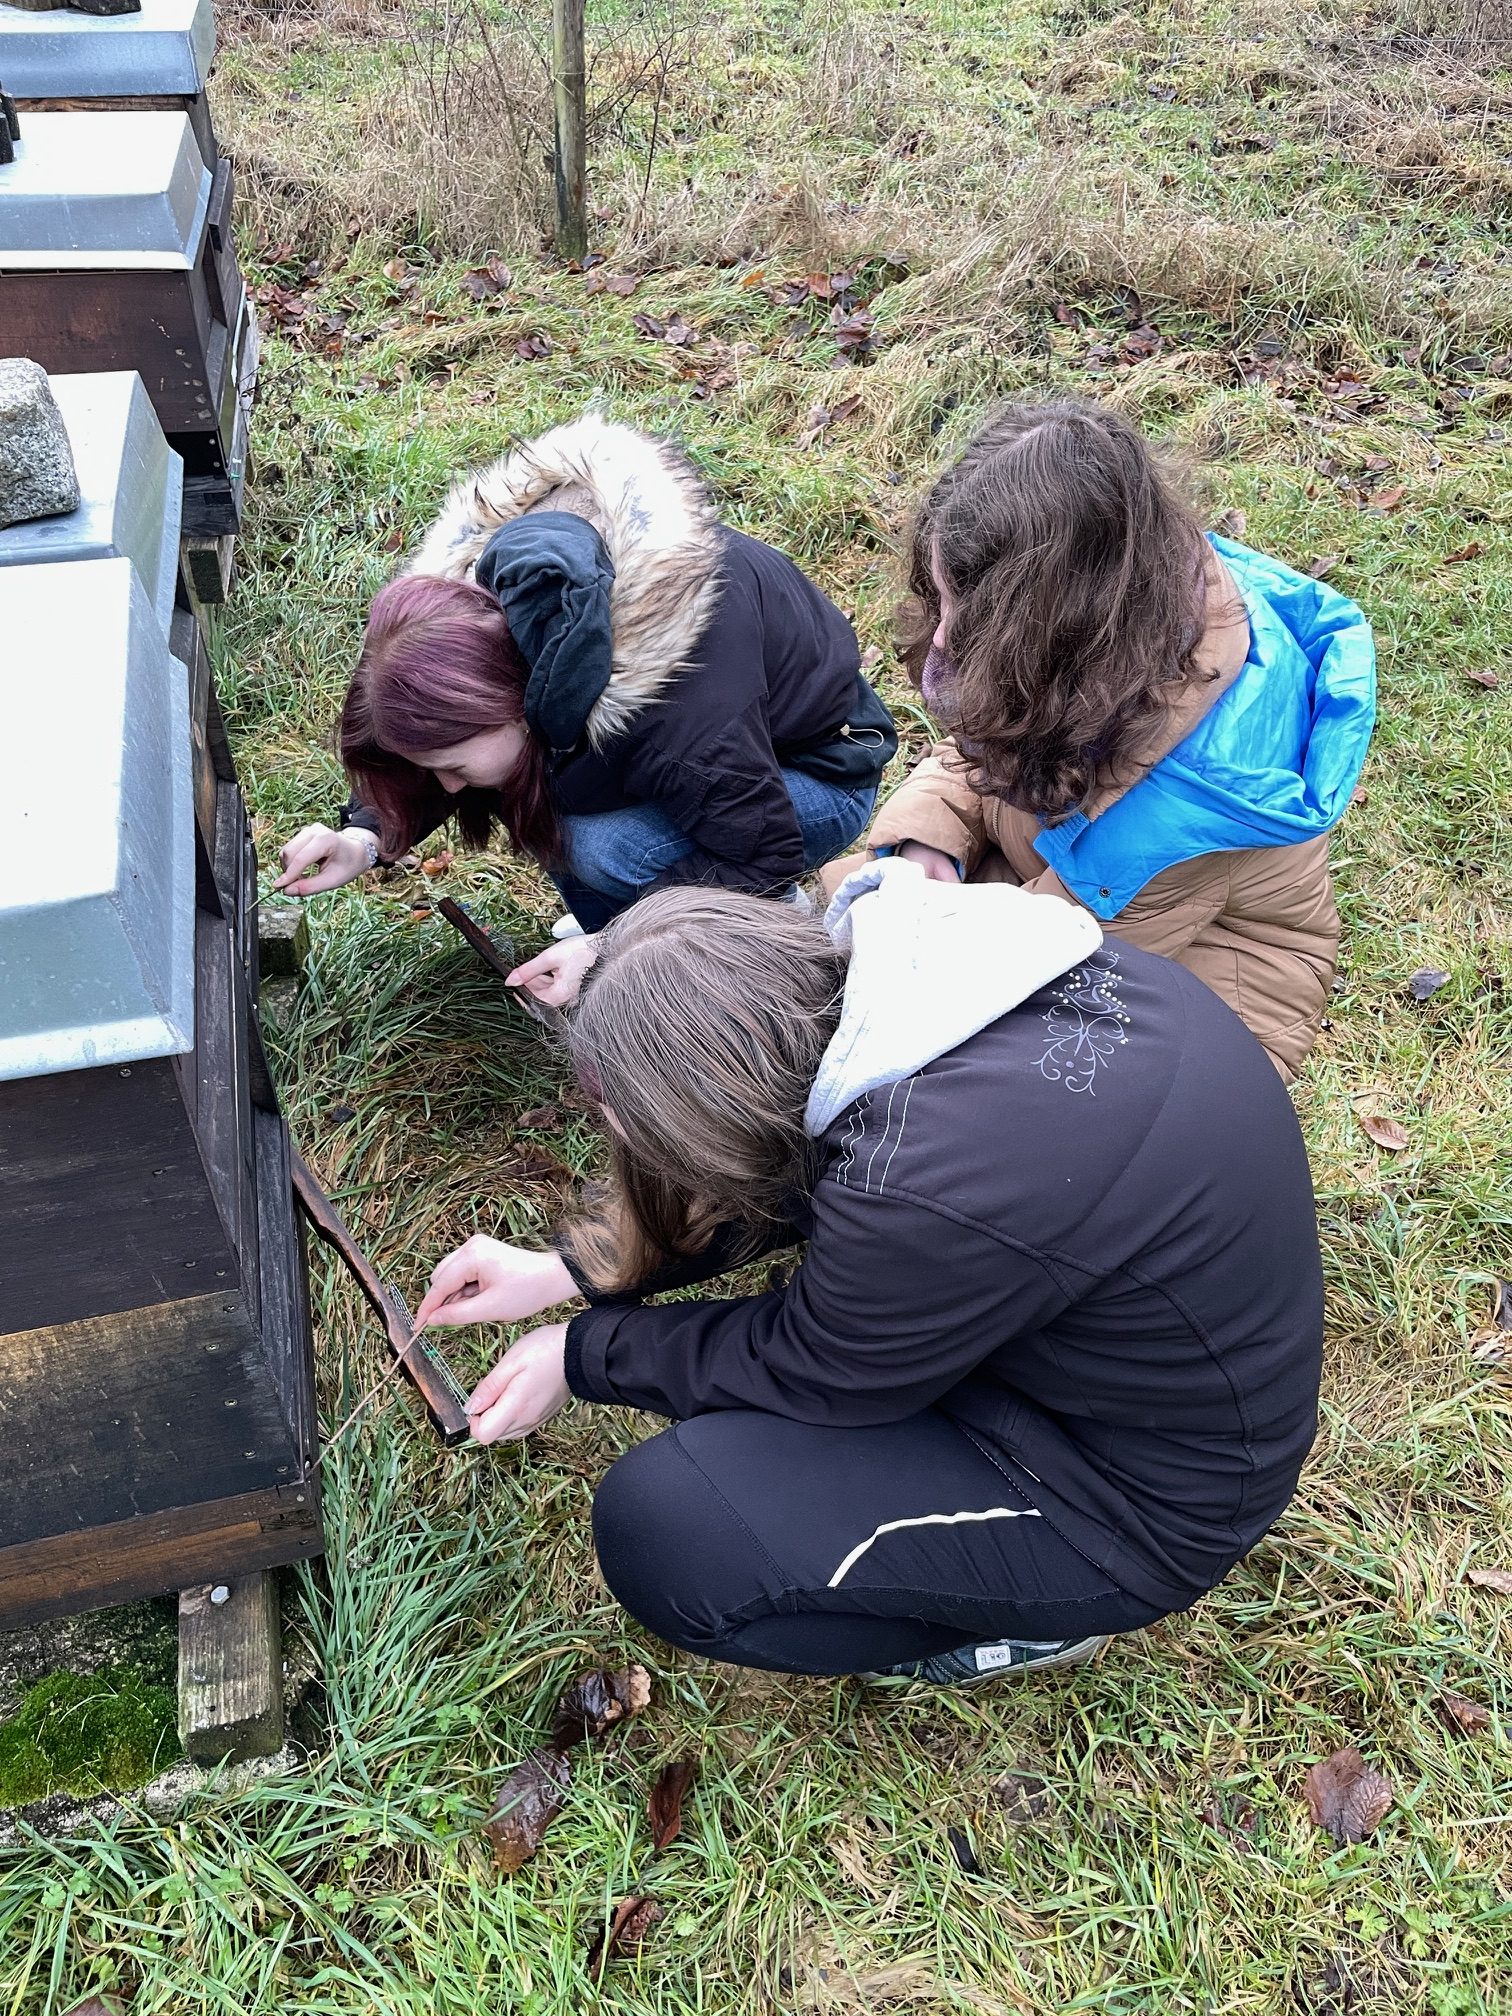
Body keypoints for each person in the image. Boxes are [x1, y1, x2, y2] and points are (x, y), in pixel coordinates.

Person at [411, 862, 1324, 1686]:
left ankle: (1023, 1623)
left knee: (672, 1530)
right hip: (1075, 1351)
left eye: (635, 1128)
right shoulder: (916, 981)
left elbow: (811, 1365)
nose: (621, 1144)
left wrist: (583, 1356)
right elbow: (788, 1159)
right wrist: (573, 1268)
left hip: (1128, 1502)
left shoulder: (919, 1189)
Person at [828, 400, 1375, 1080]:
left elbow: (1027, 960)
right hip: (1057, 872)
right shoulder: (1119, 612)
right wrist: (926, 843)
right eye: (939, 601)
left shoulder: (1186, 807)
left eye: (960, 619)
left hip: (1189, 988)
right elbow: (977, 747)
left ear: (1050, 627)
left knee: (946, 1079)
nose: (939, 639)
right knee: (840, 915)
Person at [273, 411, 896, 995]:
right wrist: (364, 835)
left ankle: (755, 943)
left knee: (594, 846)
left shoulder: (676, 701)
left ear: (511, 703)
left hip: (815, 775)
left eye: (453, 767)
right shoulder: (483, 627)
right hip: (712, 768)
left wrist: (616, 942)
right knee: (546, 806)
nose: (449, 787)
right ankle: (613, 961)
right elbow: (440, 739)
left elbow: (760, 849)